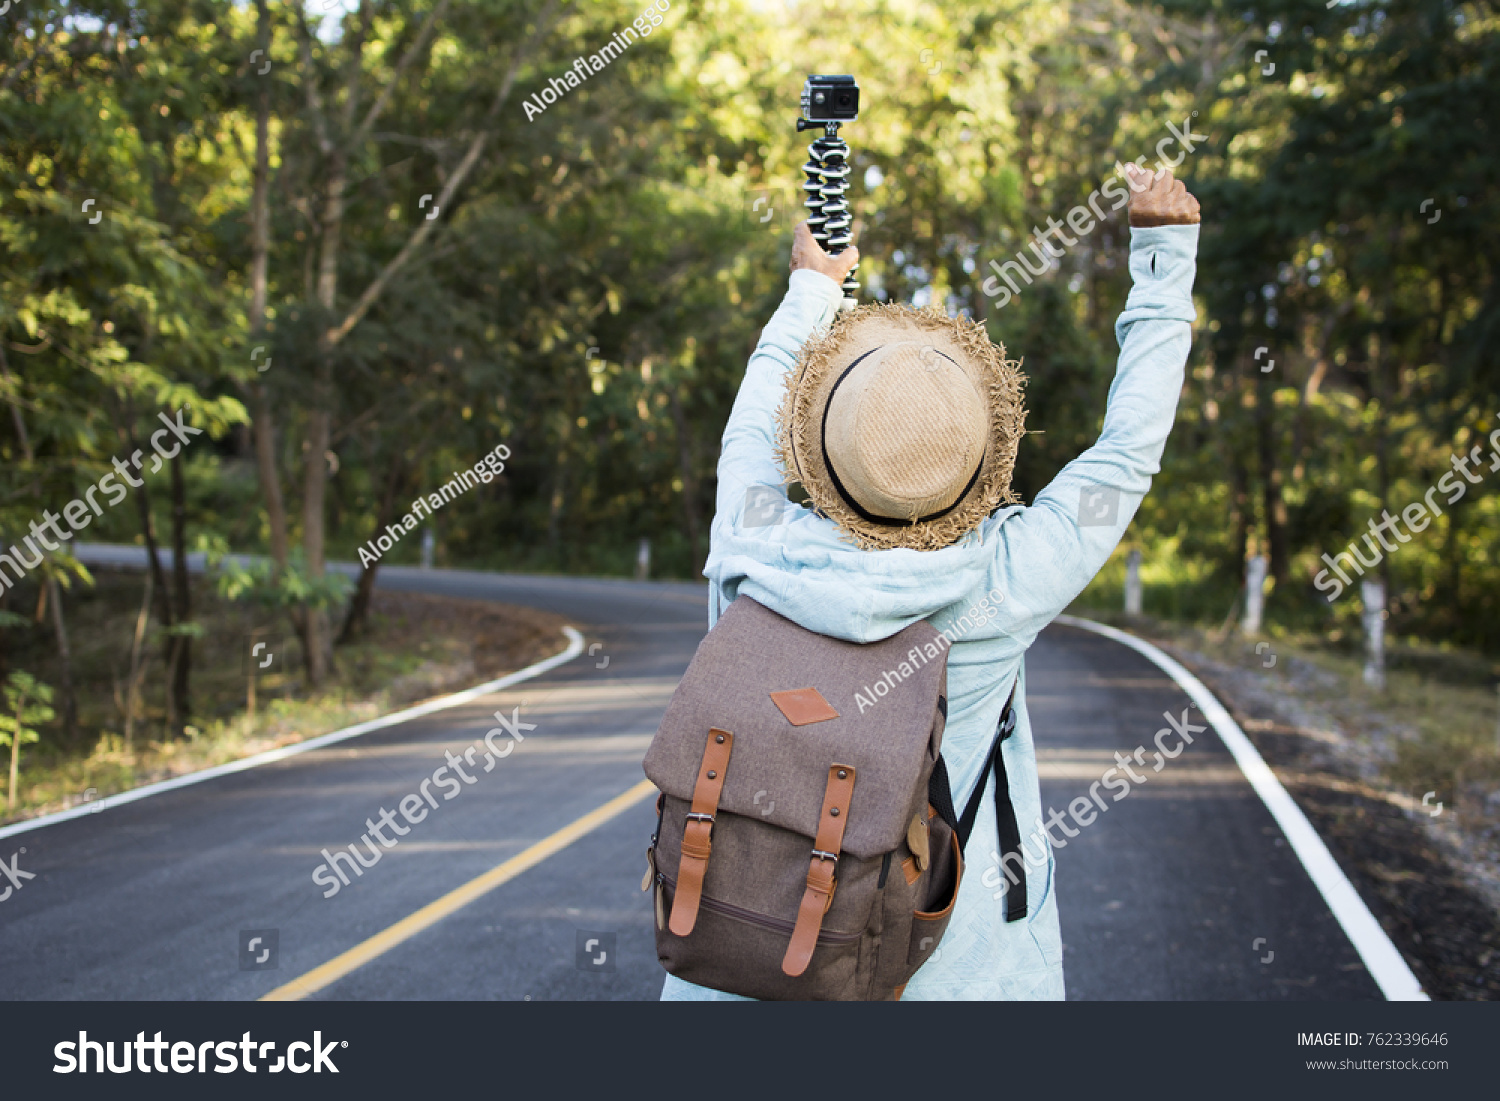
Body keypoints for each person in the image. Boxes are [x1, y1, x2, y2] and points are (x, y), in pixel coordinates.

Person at [661, 163, 1201, 1000]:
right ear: (978, 463)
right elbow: (1126, 454)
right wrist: (1163, 256)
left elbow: (753, 413)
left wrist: (812, 289)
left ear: (824, 450)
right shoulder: (1004, 579)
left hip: (739, 972)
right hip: (961, 973)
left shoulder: (751, 540)